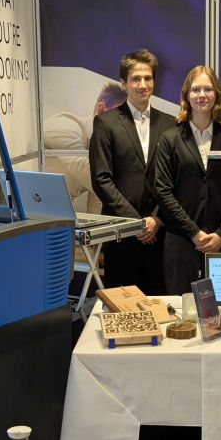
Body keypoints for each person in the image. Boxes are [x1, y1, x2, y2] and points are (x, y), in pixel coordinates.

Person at [155, 66, 221, 295]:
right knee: (180, 307)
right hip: (180, 241)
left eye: (208, 89)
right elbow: (163, 192)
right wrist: (194, 233)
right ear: (187, 95)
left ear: (217, 94)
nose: (202, 95)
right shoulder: (170, 139)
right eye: (196, 89)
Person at [89, 49, 172, 294]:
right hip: (121, 234)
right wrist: (137, 224)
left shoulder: (171, 124)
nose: (142, 85)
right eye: (136, 79)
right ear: (123, 83)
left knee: (161, 305)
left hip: (161, 234)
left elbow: (176, 180)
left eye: (148, 78)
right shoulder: (105, 123)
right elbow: (101, 180)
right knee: (121, 306)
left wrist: (156, 219)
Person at [44, 81, 126, 214]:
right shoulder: (64, 127)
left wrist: (101, 226)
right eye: (121, 118)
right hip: (21, 208)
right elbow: (91, 173)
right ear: (101, 109)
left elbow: (98, 198)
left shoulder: (105, 146)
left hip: (52, 212)